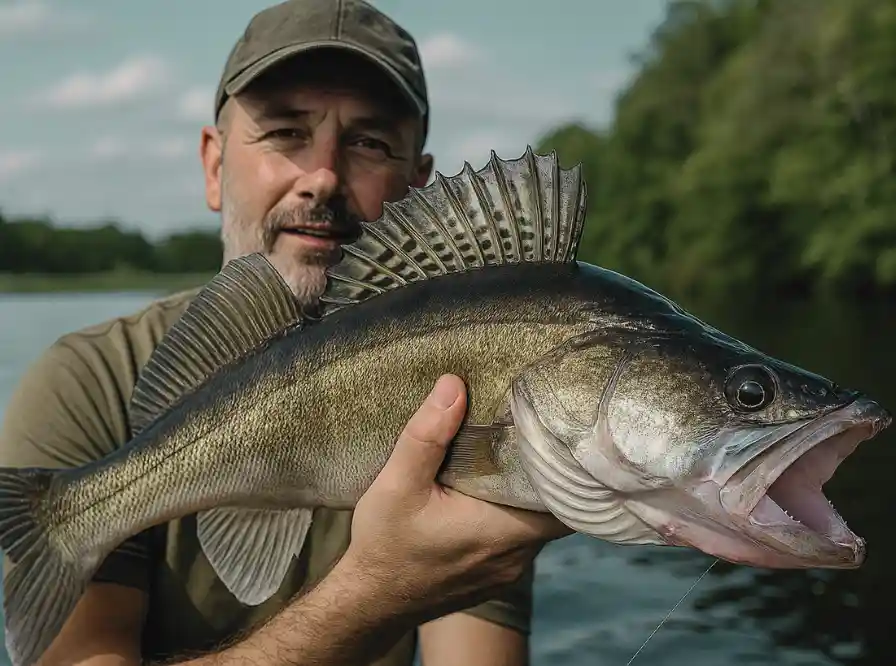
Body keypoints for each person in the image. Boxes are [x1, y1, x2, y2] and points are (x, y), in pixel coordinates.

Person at [0, 1, 572, 664]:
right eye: (285, 132)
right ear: (214, 166)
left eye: (369, 142)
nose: (323, 176)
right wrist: (375, 593)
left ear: (418, 187)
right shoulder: (88, 382)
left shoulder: (471, 384)